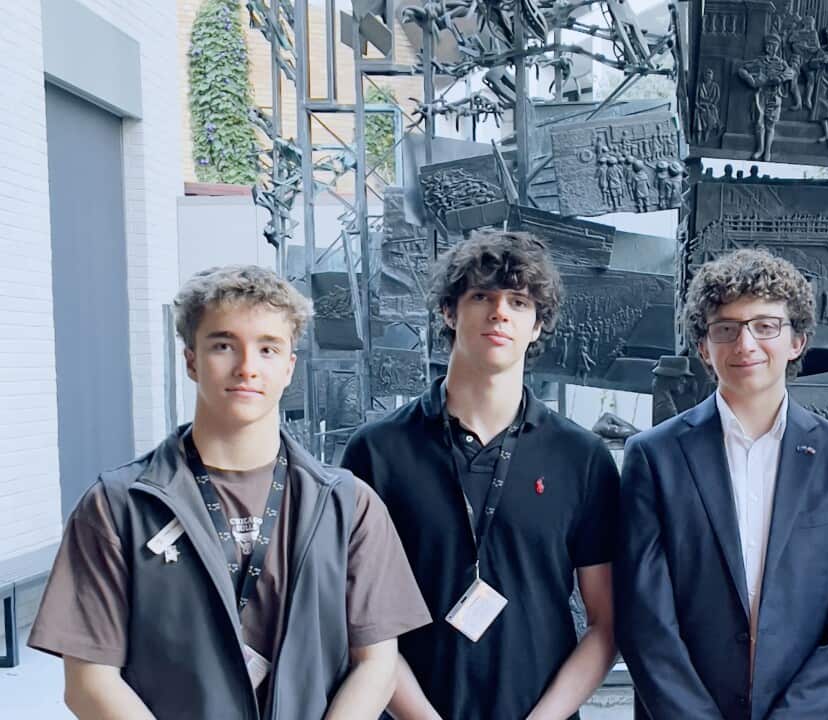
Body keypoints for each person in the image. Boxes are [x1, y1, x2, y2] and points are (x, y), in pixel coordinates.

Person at [28, 265, 430, 719]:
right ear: (191, 360)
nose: (246, 368)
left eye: (267, 348)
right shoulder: (117, 505)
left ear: (288, 367)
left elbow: (376, 664)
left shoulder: (347, 505)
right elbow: (89, 683)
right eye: (223, 345)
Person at [341, 230, 620, 720]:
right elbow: (359, 620)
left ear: (537, 326)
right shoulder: (377, 451)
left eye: (519, 302)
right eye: (482, 297)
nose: (500, 313)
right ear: (449, 312)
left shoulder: (583, 457)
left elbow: (605, 625)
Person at [615, 248, 828, 719]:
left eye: (766, 326)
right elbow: (645, 620)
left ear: (797, 340)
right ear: (704, 347)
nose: (746, 344)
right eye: (726, 328)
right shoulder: (653, 456)